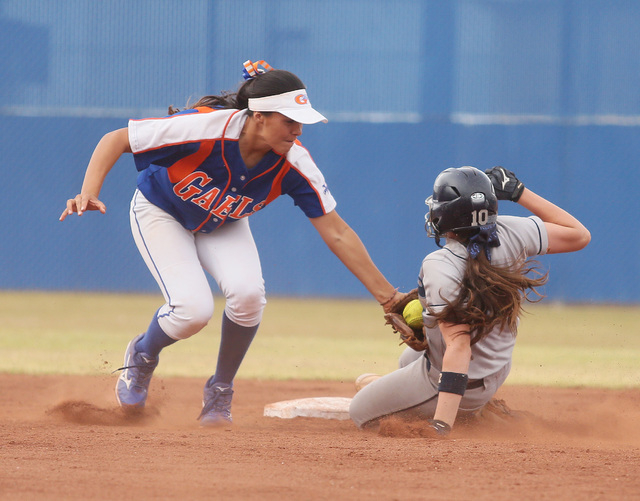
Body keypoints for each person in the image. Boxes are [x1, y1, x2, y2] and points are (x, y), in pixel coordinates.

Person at [60, 60, 408, 427]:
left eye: (300, 121)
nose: (297, 130)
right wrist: (89, 192)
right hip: (161, 211)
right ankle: (142, 355)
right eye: (289, 120)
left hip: (223, 222)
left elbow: (337, 232)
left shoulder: (294, 162)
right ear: (259, 116)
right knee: (192, 311)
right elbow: (117, 139)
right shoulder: (205, 129)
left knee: (248, 296)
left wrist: (389, 298)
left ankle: (220, 391)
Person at [349, 165, 591, 436]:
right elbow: (579, 235)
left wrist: (442, 423)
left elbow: (459, 346)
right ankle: (468, 404)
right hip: (495, 368)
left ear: (446, 215)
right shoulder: (512, 231)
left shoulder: (439, 264)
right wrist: (520, 193)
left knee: (359, 412)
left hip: (461, 383)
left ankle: (467, 415)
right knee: (409, 359)